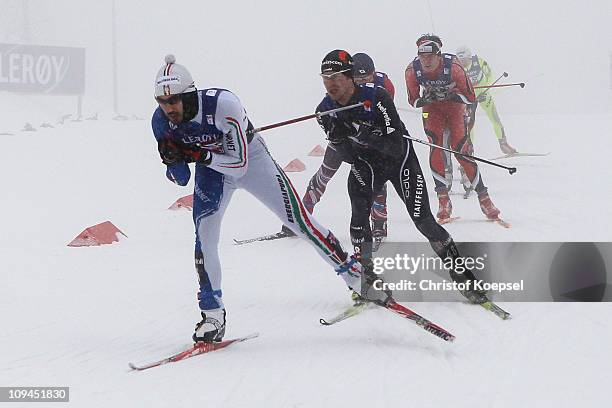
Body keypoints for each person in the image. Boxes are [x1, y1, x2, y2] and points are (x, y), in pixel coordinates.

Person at [151, 54, 367, 343]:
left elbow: (238, 164)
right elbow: (181, 179)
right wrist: (171, 161)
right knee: (204, 236)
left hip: (250, 160)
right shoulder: (161, 123)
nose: (169, 109)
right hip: (212, 171)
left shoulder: (223, 105)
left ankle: (358, 279)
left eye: (174, 100)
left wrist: (200, 154)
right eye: (162, 102)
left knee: (300, 222)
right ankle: (212, 315)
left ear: (189, 94)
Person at [316, 49, 486, 303]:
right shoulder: (324, 110)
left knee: (423, 220)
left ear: (350, 77)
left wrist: (366, 135)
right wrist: (340, 142)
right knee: (358, 220)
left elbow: (395, 145)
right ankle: (367, 280)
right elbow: (349, 157)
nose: (331, 84)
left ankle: (462, 274)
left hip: (399, 162)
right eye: (325, 78)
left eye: (337, 77)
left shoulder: (377, 97)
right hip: (367, 165)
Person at [280, 52, 395, 249]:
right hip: (345, 142)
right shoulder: (342, 85)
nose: (361, 83)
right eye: (358, 79)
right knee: (324, 174)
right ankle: (303, 216)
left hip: (370, 144)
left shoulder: (384, 85)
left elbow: (387, 117)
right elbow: (324, 111)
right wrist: (333, 127)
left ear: (373, 74)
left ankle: (379, 223)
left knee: (376, 179)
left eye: (366, 78)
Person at [404, 34, 501, 222]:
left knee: (461, 151)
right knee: (436, 148)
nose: (426, 61)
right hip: (432, 110)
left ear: (439, 55)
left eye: (431, 56)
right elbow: (413, 100)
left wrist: (455, 97)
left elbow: (471, 97)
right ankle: (443, 200)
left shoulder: (453, 66)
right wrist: (426, 99)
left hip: (455, 108)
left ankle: (484, 198)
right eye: (422, 56)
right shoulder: (412, 70)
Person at [456, 46, 517, 155]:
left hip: (484, 94)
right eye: (460, 60)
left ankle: (504, 144)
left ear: (469, 57)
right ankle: (469, 150)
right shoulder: (457, 67)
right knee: (469, 124)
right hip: (470, 97)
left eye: (464, 60)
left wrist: (485, 89)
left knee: (495, 118)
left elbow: (489, 75)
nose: (463, 62)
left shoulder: (479, 62)